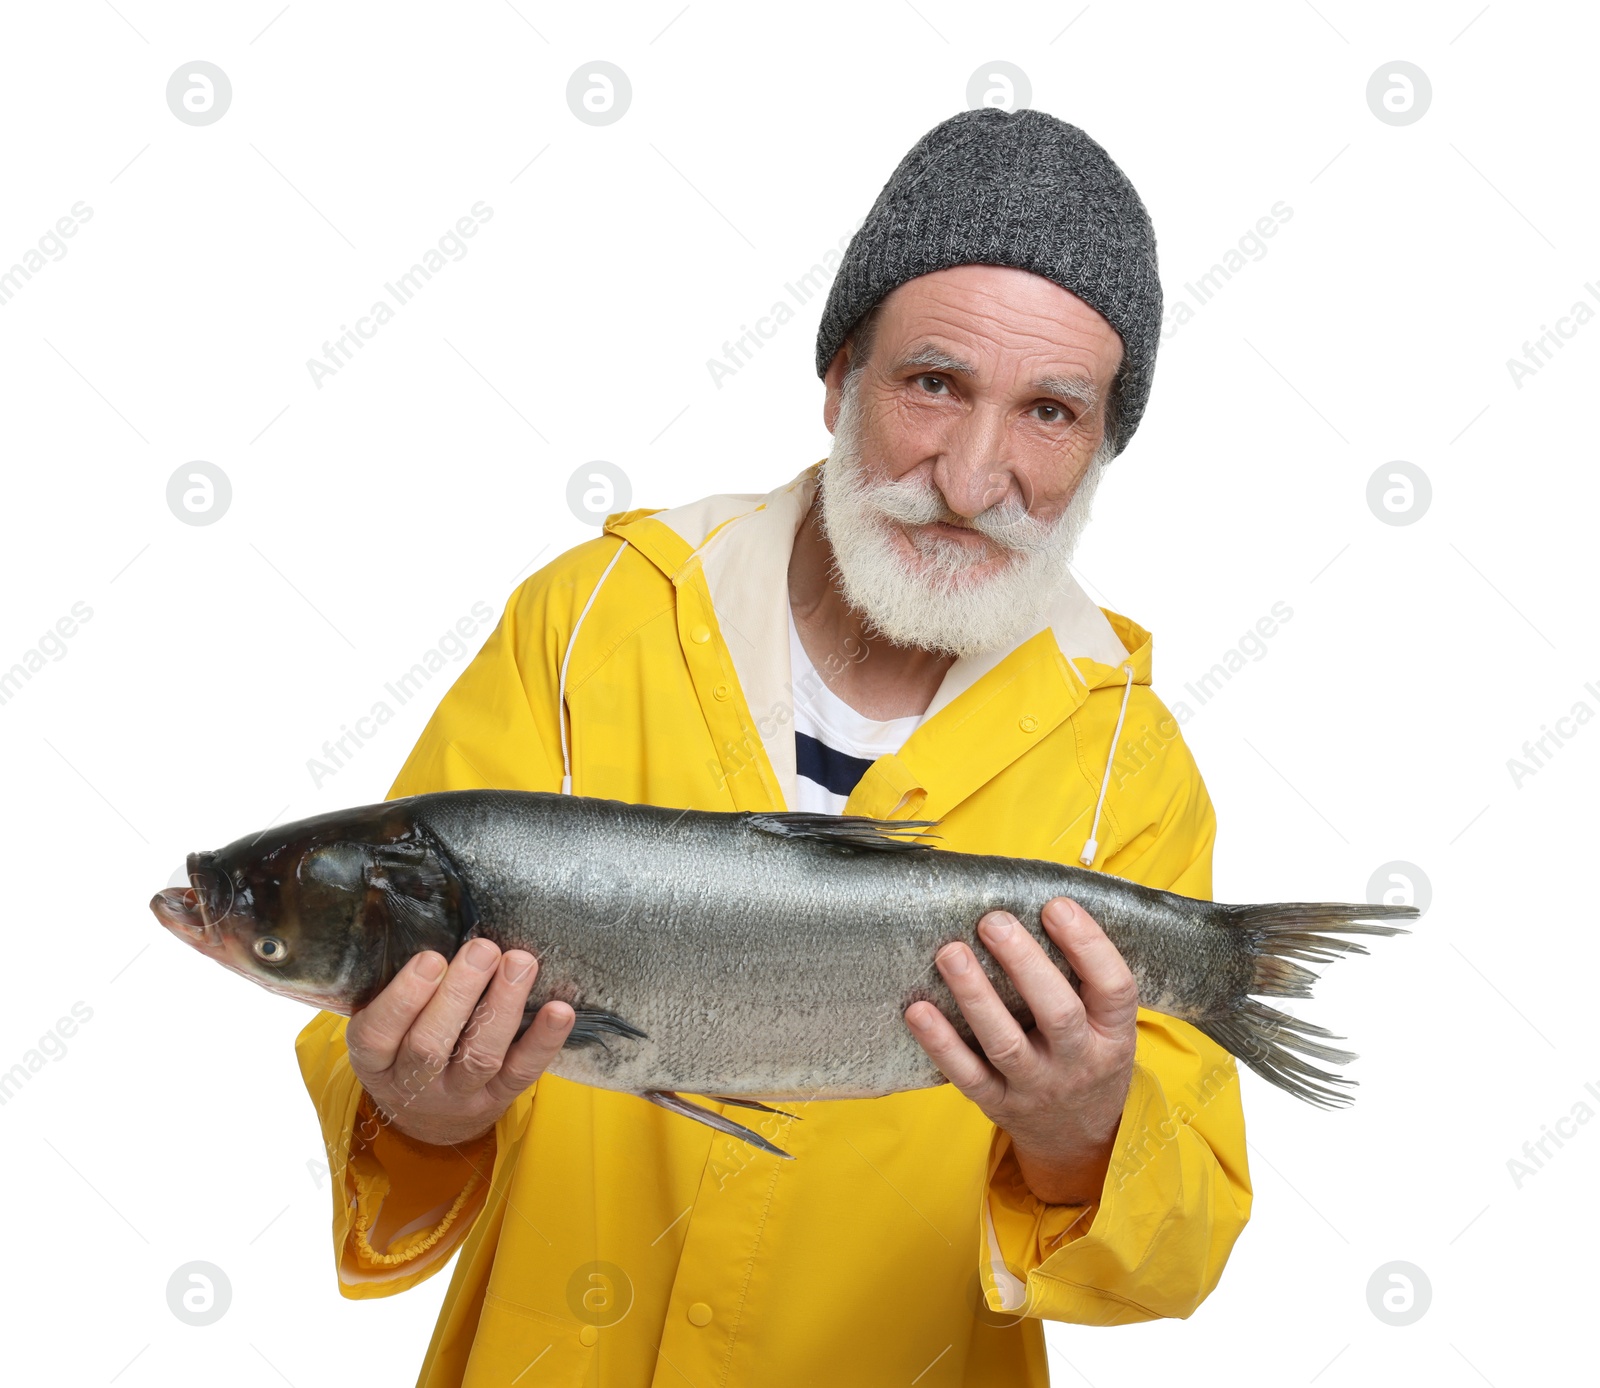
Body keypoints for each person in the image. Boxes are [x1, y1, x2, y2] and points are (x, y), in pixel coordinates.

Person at [296, 106, 1251, 1386]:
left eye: (1050, 413)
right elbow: (370, 1031)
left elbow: (1181, 1241)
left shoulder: (1130, 763)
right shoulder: (590, 621)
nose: (975, 478)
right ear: (837, 378)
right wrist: (423, 1111)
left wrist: (1084, 1139)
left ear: (1101, 448)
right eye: (933, 383)